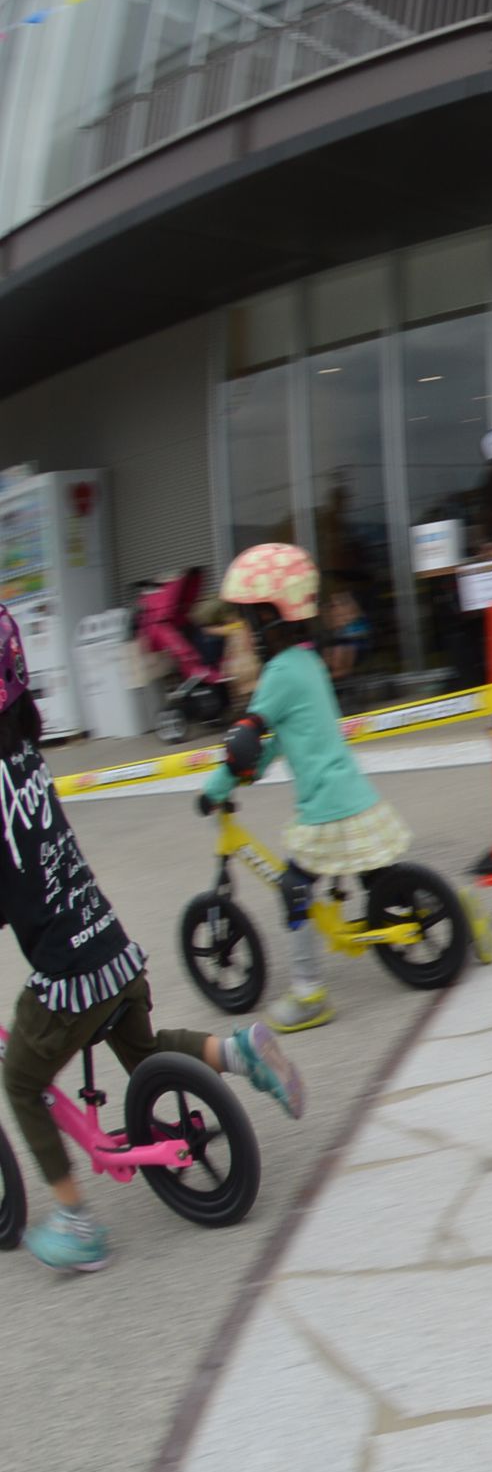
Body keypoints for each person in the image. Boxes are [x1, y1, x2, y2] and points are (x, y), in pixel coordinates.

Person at [3, 606, 306, 1274]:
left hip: (68, 976)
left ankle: (77, 1223)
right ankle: (239, 1051)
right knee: (141, 1050)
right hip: (111, 947)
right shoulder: (25, 753)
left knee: (20, 1080)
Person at [194, 545, 421, 1033]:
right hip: (354, 794)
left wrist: (216, 787)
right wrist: (256, 768)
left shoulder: (278, 674)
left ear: (269, 618)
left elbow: (246, 737)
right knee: (379, 877)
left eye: (248, 621)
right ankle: (452, 912)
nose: (245, 633)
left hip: (326, 807)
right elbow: (287, 736)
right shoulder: (308, 662)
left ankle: (308, 992)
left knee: (294, 888)